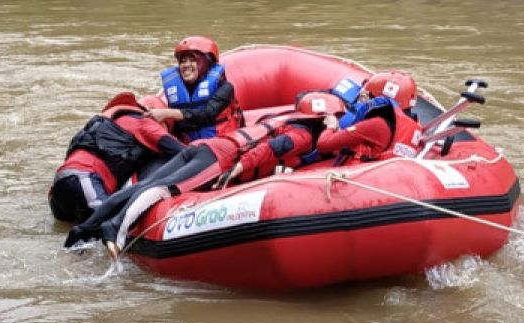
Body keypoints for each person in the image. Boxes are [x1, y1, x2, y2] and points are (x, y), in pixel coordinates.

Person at [64, 91, 338, 260]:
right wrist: (235, 171)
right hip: (220, 159)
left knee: (148, 183)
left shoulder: (282, 119)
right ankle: (115, 229)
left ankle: (83, 230)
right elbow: (268, 150)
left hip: (204, 148)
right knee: (162, 189)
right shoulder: (303, 134)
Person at [48, 92, 185, 223]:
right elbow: (184, 152)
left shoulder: (108, 122)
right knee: (108, 230)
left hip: (58, 187)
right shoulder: (145, 123)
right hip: (85, 180)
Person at [315, 70, 425, 163]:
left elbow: (323, 145)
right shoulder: (416, 125)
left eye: (369, 96)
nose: (366, 100)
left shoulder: (377, 124)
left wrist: (331, 125)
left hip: (355, 179)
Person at [149, 36, 241, 141]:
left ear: (206, 63)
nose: (186, 65)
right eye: (183, 61)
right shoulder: (175, 89)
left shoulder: (225, 88)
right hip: (188, 145)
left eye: (192, 60)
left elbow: (207, 114)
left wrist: (167, 113)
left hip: (221, 143)